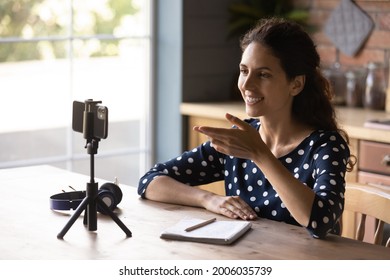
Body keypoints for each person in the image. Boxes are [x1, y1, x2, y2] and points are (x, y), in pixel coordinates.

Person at [138, 17, 355, 239]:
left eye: (263, 74)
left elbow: (321, 221)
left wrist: (259, 153)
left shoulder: (324, 145)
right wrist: (209, 199)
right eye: (244, 71)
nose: (246, 85)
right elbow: (150, 181)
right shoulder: (240, 139)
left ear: (296, 84)